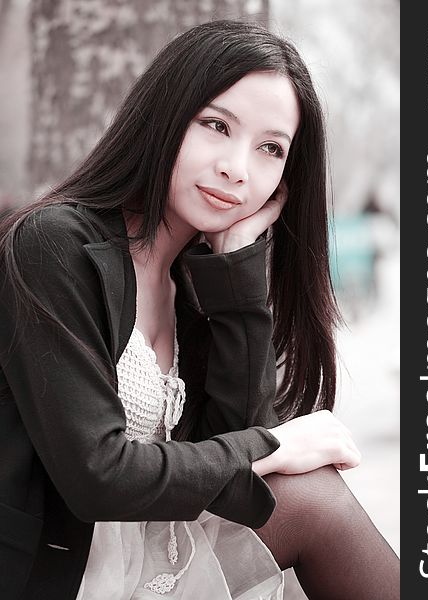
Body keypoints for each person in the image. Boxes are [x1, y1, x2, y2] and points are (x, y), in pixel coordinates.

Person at [0, 19, 399, 600]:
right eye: (216, 125)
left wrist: (236, 271)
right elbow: (97, 477)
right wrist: (274, 446)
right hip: (57, 574)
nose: (238, 168)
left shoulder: (195, 279)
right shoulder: (53, 245)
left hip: (149, 555)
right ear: (164, 115)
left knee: (312, 496)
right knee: (310, 493)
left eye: (270, 149)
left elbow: (230, 454)